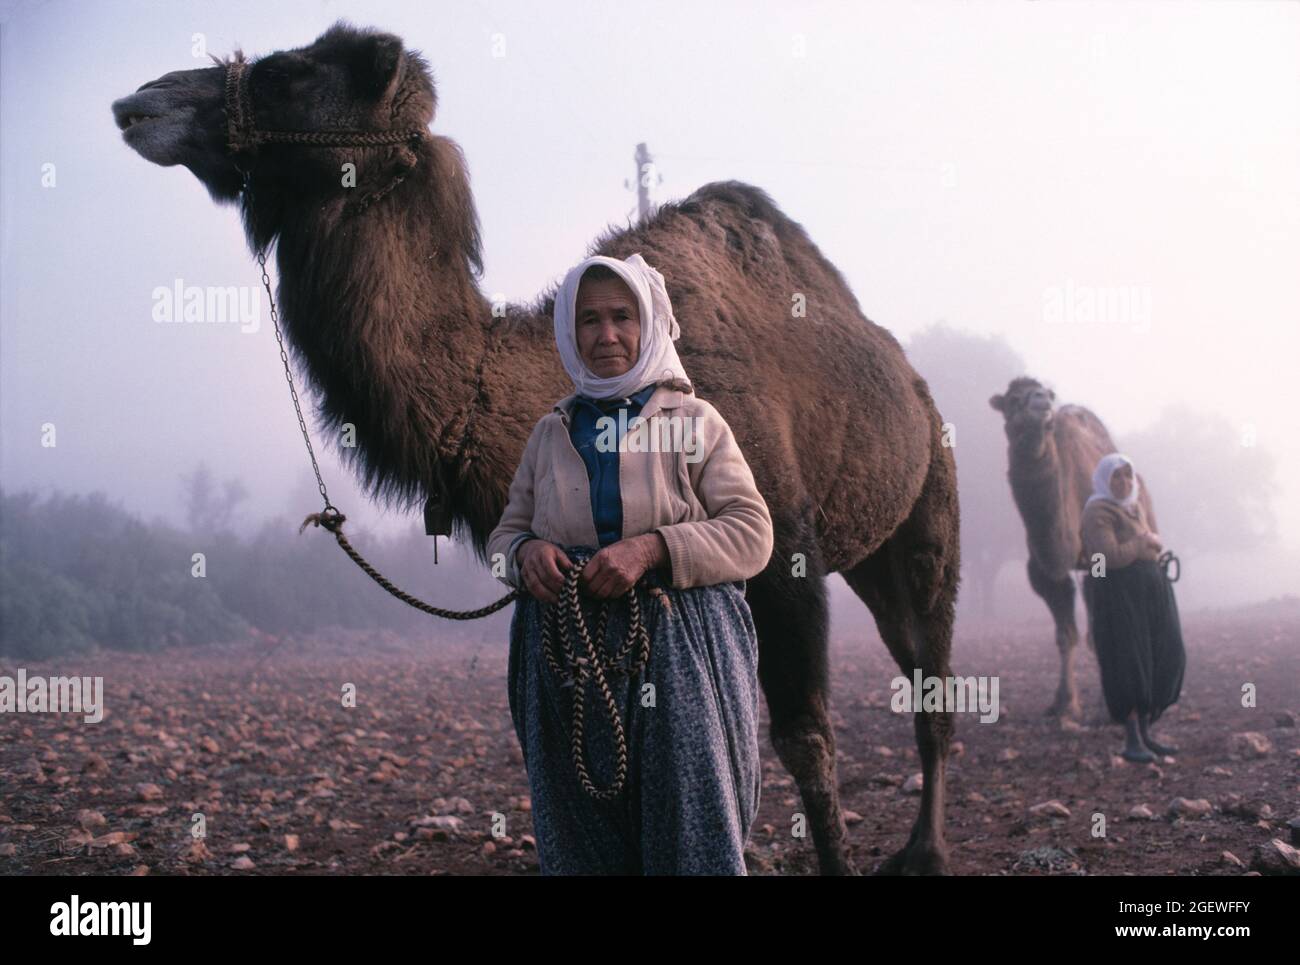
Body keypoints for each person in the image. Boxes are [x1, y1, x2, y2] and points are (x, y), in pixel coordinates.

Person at [486, 252, 775, 874]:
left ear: (650, 323)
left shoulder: (695, 421)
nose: (607, 335)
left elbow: (753, 533)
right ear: (570, 331)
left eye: (622, 316)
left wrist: (652, 550)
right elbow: (503, 540)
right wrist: (524, 554)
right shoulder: (550, 432)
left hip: (679, 647)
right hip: (566, 651)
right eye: (589, 319)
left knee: (690, 820)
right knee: (576, 821)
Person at [1078, 453, 1186, 763]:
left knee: (1165, 655)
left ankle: (1147, 732)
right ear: (1104, 480)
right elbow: (1105, 557)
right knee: (1129, 663)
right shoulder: (1097, 512)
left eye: (1128, 476)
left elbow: (1150, 542)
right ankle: (1132, 739)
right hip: (1119, 598)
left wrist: (1149, 545)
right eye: (1117, 477)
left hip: (1149, 593)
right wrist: (1141, 545)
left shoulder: (1134, 507)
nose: (1124, 482)